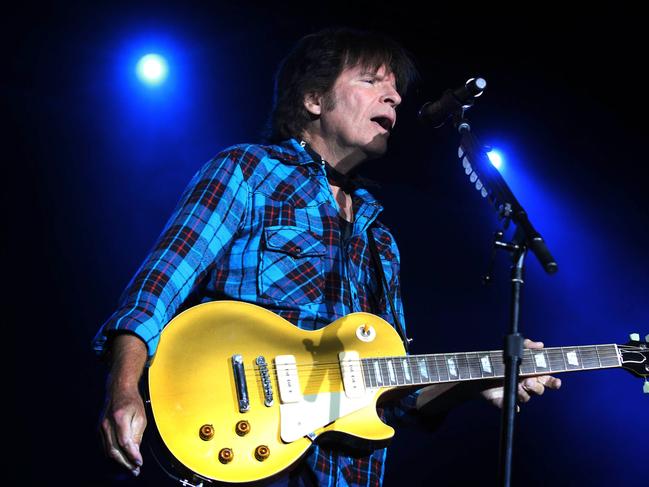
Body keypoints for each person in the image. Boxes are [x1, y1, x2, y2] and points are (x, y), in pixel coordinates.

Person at [93, 27, 561, 485]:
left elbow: (395, 394)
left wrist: (483, 378)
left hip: (348, 473)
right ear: (314, 100)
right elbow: (158, 286)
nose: (394, 97)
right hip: (249, 454)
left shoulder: (379, 235)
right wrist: (124, 387)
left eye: (396, 88)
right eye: (372, 81)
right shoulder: (249, 171)